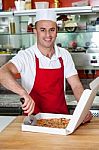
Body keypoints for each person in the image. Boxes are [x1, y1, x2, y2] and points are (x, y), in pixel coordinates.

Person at [0, 9, 92, 123]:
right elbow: (2, 73)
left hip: (61, 121)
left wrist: (83, 108)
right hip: (34, 122)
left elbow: (76, 85)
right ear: (35, 31)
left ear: (56, 31)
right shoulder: (26, 56)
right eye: (42, 30)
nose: (48, 35)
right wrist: (23, 93)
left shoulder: (64, 54)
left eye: (52, 30)